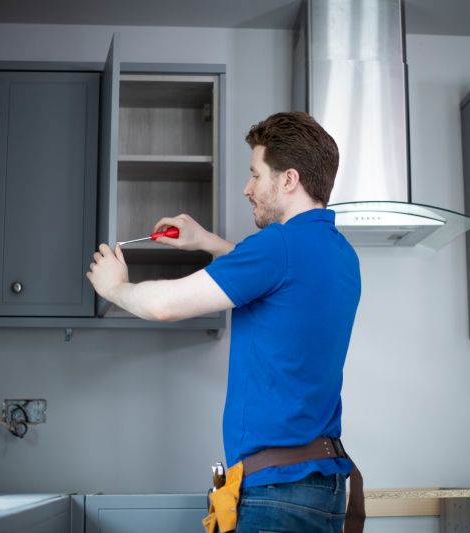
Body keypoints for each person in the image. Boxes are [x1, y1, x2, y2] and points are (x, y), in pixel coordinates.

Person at [87, 111, 363, 533]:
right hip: (322, 488)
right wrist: (205, 241)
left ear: (289, 180)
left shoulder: (278, 245)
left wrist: (115, 287)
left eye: (255, 175)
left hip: (278, 493)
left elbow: (164, 306)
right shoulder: (339, 253)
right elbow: (277, 279)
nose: (247, 189)